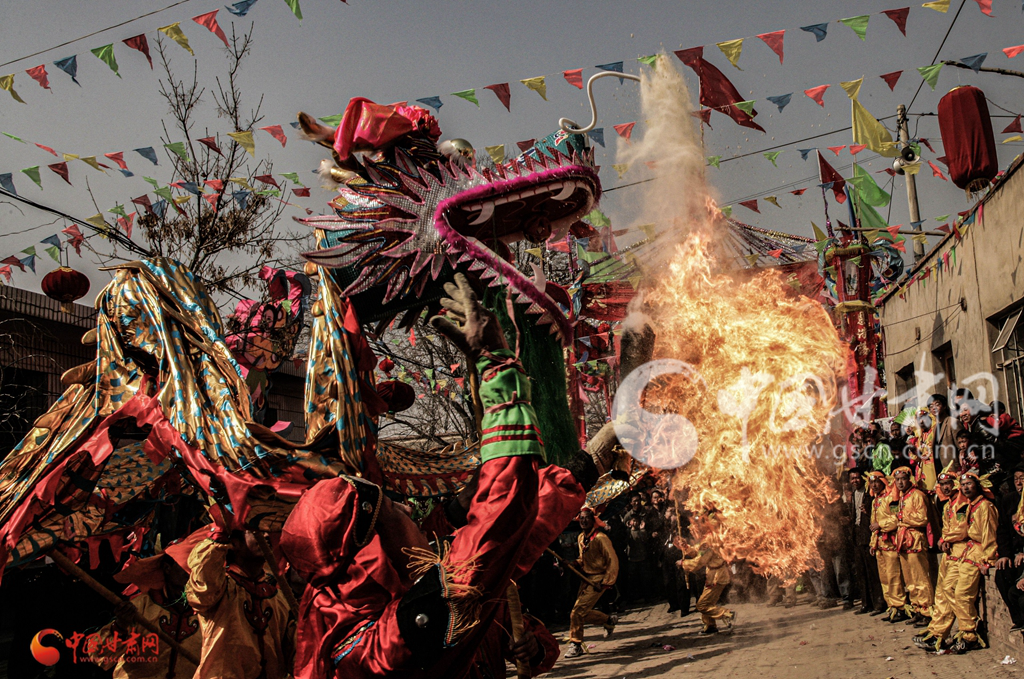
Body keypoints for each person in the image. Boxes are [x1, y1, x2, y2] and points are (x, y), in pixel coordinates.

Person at [276, 274, 619, 679]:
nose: (409, 509)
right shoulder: (383, 643)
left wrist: (589, 462)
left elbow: (515, 533)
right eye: (394, 507)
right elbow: (494, 533)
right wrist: (499, 374)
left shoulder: (348, 606)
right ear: (374, 549)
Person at [186, 527, 294, 679]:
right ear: (235, 543)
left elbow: (295, 654)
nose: (265, 536)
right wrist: (219, 535)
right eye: (255, 531)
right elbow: (202, 585)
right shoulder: (220, 589)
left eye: (266, 531)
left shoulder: (278, 597)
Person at [87, 550, 202, 678]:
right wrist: (120, 626)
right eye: (186, 566)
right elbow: (100, 657)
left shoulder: (211, 615)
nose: (192, 573)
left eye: (197, 567)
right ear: (167, 568)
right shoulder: (141, 607)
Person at [917, 472, 998, 653]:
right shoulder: (964, 505)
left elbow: (988, 535)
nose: (966, 488)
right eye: (964, 485)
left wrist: (988, 559)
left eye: (969, 484)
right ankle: (945, 632)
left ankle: (969, 633)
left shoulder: (984, 506)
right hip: (966, 551)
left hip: (974, 551)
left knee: (962, 593)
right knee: (946, 589)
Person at [913, 465, 967, 649]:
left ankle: (967, 632)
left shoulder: (962, 503)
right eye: (942, 484)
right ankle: (937, 633)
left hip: (962, 552)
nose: (945, 487)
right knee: (942, 593)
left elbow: (963, 529)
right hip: (949, 553)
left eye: (948, 483)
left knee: (952, 591)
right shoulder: (948, 504)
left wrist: (946, 538)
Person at [565, 508, 620, 658]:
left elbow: (613, 561)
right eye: (581, 518)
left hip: (598, 579)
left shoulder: (601, 538)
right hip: (586, 579)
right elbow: (583, 559)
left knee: (576, 612)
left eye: (587, 518)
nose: (583, 521)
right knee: (581, 613)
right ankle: (608, 620)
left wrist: (605, 582)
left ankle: (576, 644)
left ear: (593, 520)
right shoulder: (581, 538)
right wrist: (573, 563)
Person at [889, 466, 934, 626]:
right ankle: (917, 609)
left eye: (903, 479)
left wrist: (903, 518)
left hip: (915, 540)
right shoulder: (902, 497)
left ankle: (927, 611)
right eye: (897, 480)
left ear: (909, 480)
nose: (900, 483)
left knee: (920, 578)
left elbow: (922, 519)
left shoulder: (917, 495)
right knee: (910, 580)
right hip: (903, 542)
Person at [679, 509, 735, 635]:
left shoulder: (709, 540)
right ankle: (710, 626)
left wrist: (683, 563)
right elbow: (697, 551)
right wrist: (686, 547)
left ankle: (727, 614)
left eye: (694, 529)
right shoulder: (708, 537)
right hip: (713, 575)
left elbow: (699, 562)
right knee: (708, 602)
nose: (693, 532)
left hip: (717, 577)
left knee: (702, 605)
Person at [869, 470, 908, 622]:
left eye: (877, 482)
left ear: (883, 482)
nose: (874, 485)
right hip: (880, 545)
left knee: (894, 577)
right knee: (884, 579)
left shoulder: (891, 498)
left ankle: (900, 607)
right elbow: (873, 524)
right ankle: (891, 607)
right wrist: (873, 543)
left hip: (890, 544)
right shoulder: (875, 501)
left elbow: (896, 519)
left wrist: (881, 524)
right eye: (872, 482)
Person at [848, 468, 885, 615]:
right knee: (861, 572)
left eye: (857, 478)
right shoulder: (852, 495)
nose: (855, 480)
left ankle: (879, 603)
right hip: (857, 536)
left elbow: (876, 515)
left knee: (872, 572)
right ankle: (866, 603)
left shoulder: (869, 494)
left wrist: (867, 512)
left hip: (868, 536)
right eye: (852, 478)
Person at [995, 464, 1024, 632]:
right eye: (1016, 479)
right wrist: (1004, 554)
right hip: (1013, 553)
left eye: (1022, 479)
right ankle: (1018, 619)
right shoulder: (1009, 500)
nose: (1019, 483)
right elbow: (1003, 530)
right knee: (1002, 575)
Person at [928, 394, 958, 471]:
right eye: (931, 406)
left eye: (937, 405)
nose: (934, 408)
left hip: (953, 468)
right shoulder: (935, 427)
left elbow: (961, 447)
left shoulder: (952, 422)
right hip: (940, 468)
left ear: (944, 406)